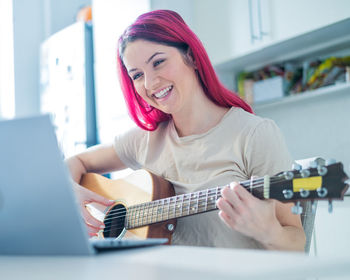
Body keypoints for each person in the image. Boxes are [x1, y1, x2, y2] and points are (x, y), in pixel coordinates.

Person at [65, 9, 306, 251]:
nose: (150, 84)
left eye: (158, 62)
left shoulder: (254, 135)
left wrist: (269, 232)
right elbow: (74, 162)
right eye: (137, 75)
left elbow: (297, 243)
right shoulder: (144, 139)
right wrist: (72, 192)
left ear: (190, 55)